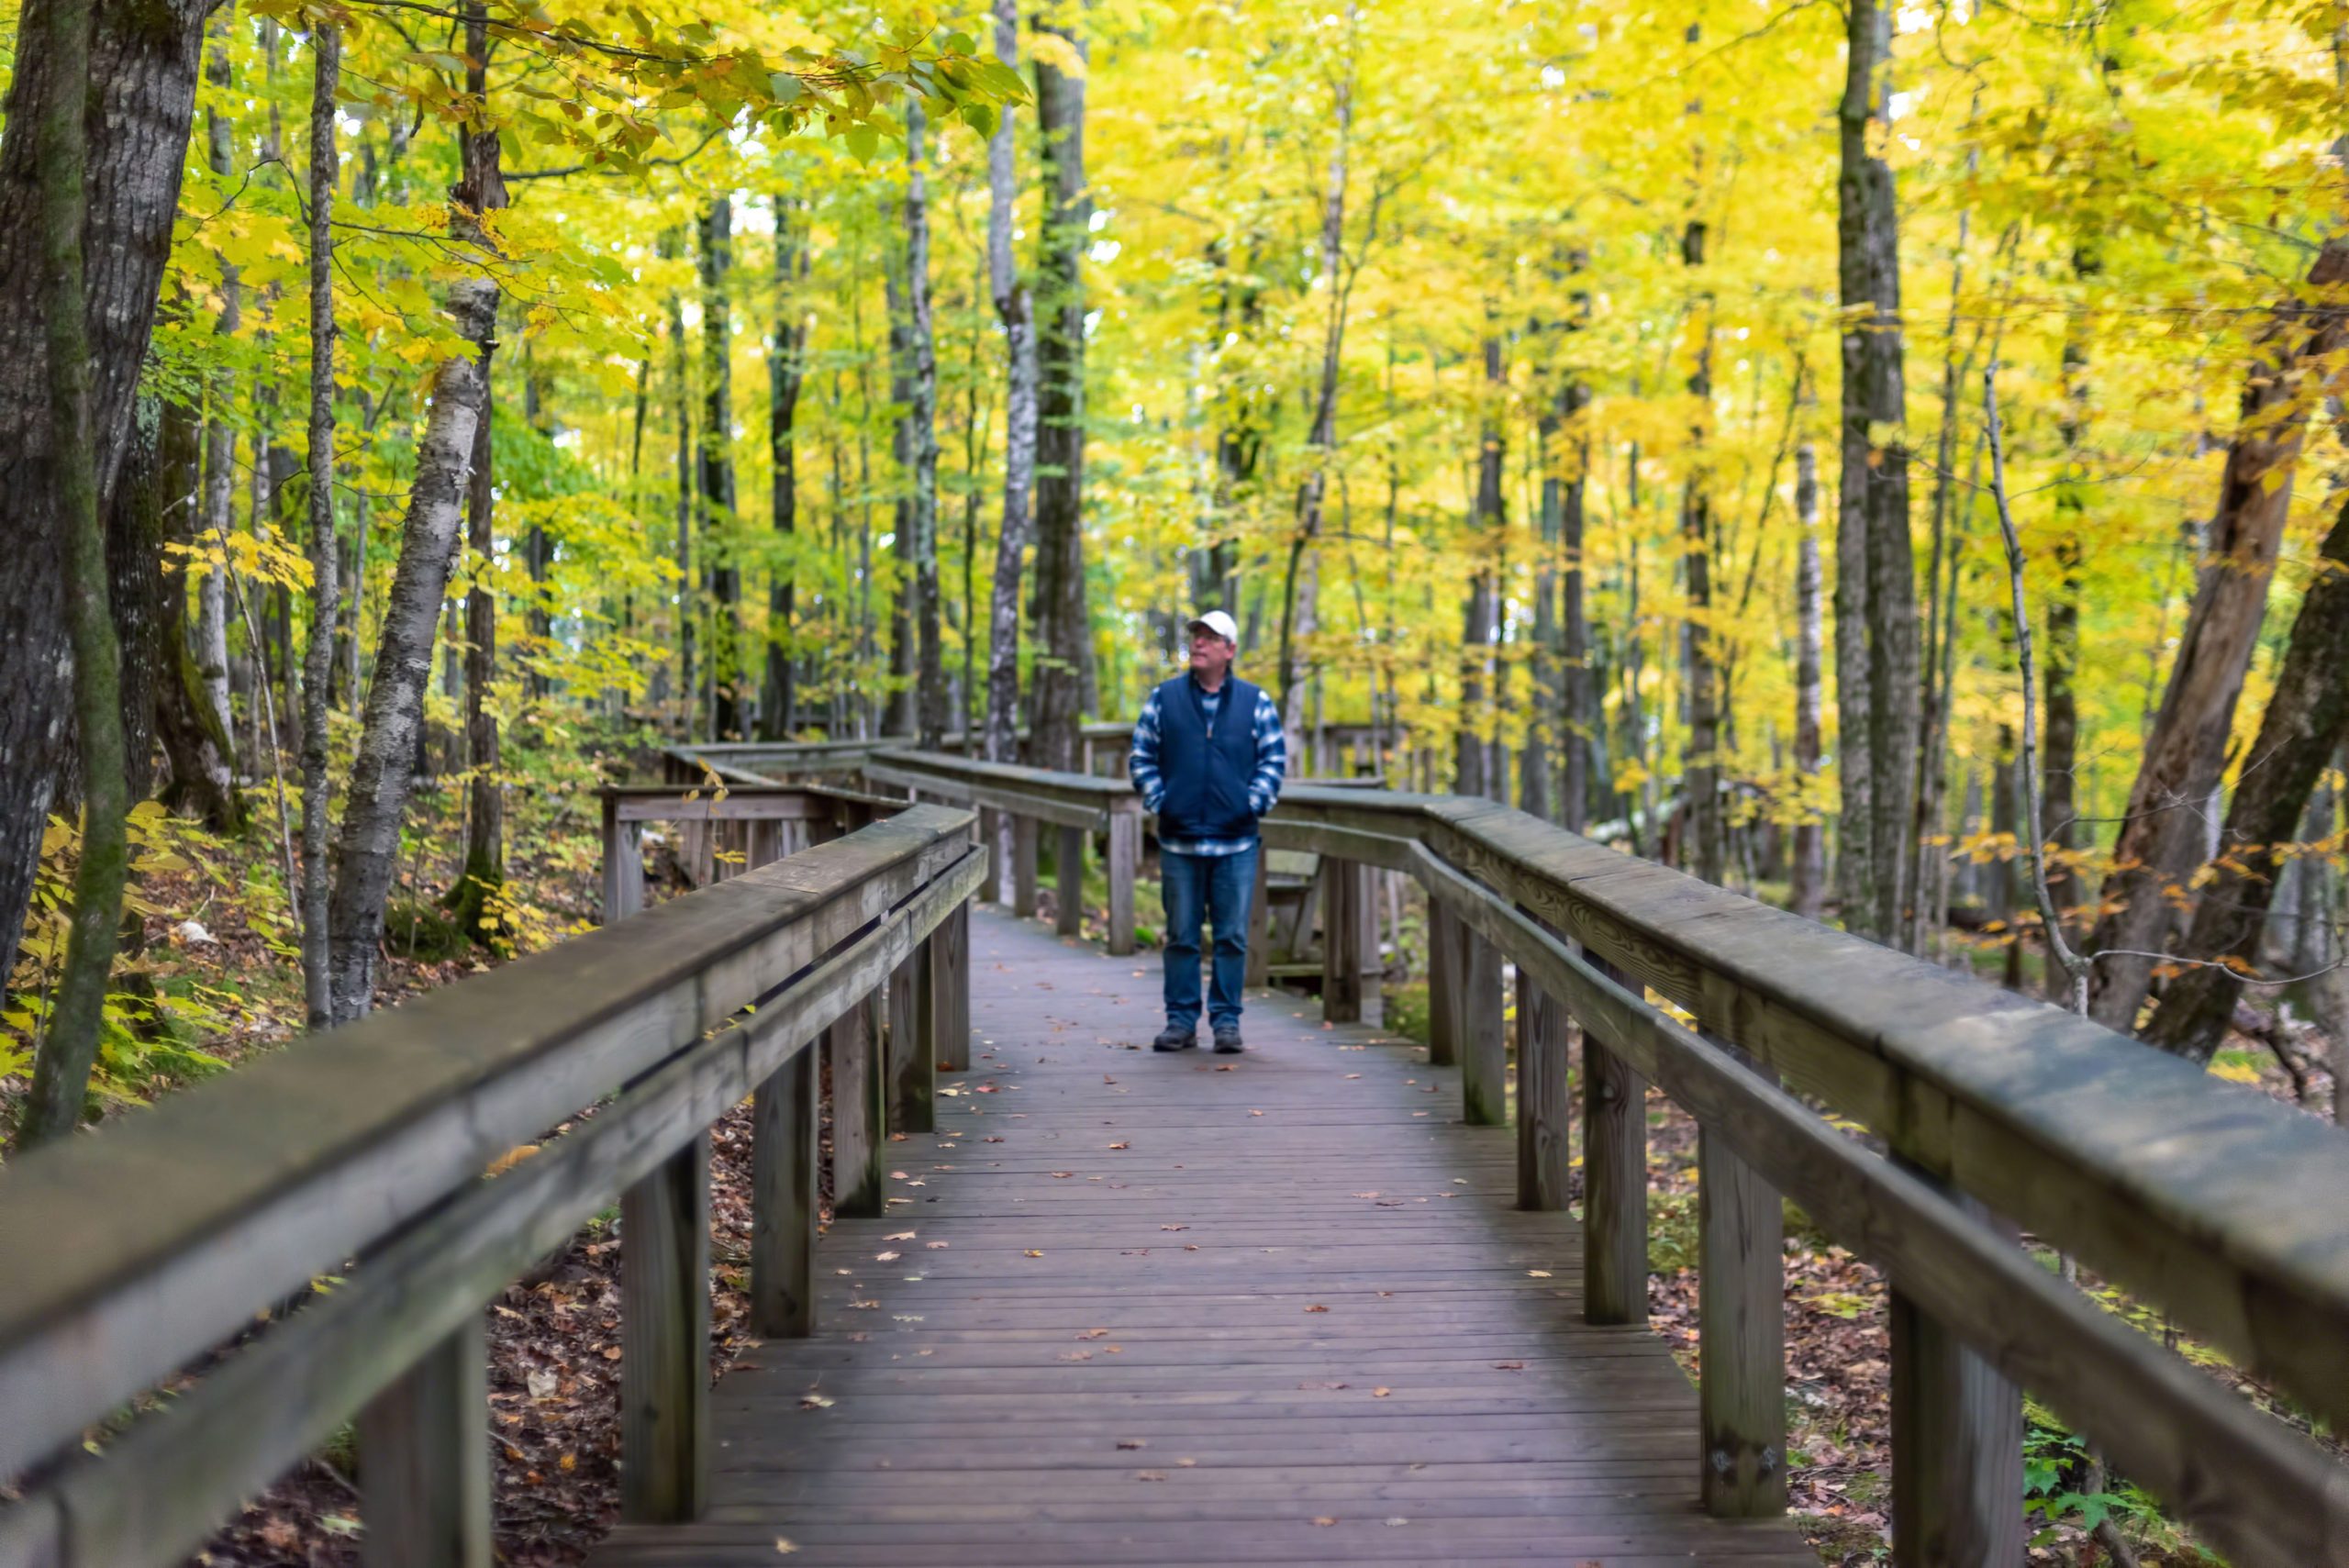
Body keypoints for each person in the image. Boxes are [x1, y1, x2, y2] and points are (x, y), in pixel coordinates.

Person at [1128, 610, 1286, 1052]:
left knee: (1232, 935)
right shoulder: (1164, 699)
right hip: (1180, 839)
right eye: (1196, 636)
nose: (1198, 643)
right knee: (1181, 933)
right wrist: (1164, 801)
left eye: (1210, 637)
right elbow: (1141, 757)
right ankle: (1180, 1020)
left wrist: (1248, 804)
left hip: (1236, 842)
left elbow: (1273, 763)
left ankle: (1226, 1022)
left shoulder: (1256, 702)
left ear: (1229, 650)